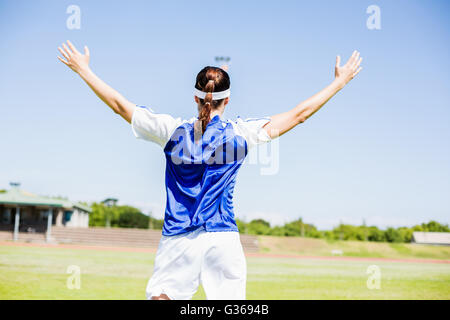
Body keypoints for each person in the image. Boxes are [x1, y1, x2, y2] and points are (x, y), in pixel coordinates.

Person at [58, 41, 362, 300]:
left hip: (178, 240)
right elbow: (299, 115)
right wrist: (340, 82)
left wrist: (82, 68)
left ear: (196, 97)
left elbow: (119, 105)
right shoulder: (243, 133)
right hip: (223, 241)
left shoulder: (171, 131)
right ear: (227, 99)